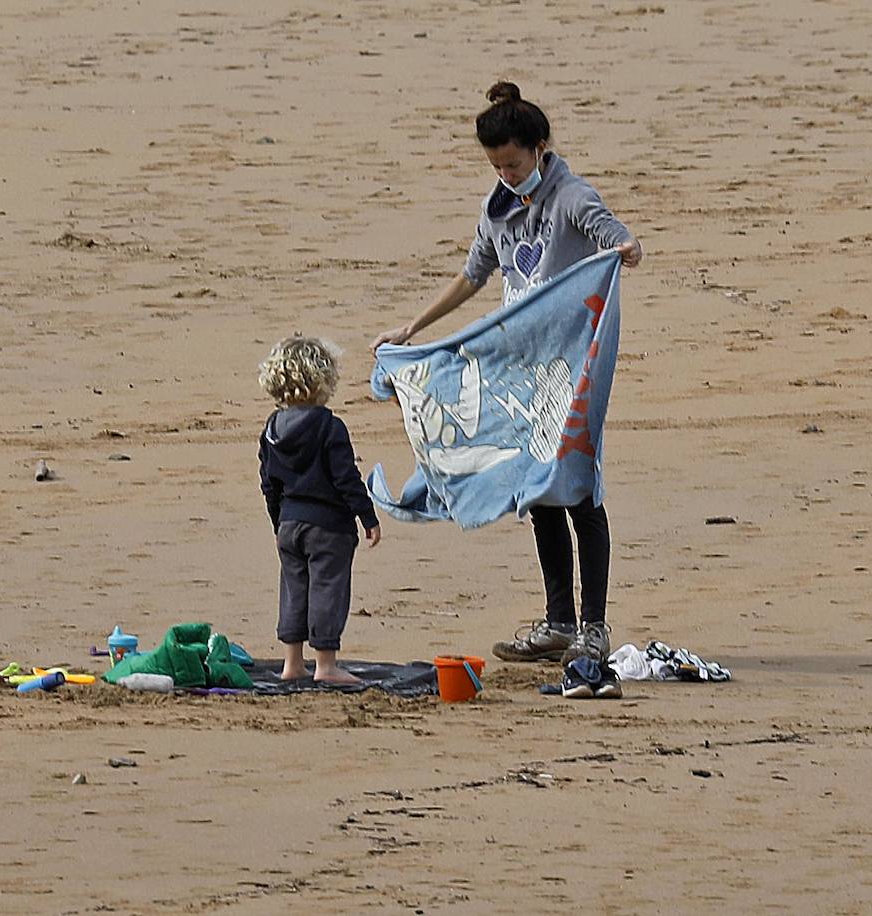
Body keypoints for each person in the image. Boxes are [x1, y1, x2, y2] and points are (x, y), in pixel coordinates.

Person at [371, 81, 642, 666]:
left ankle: (593, 628)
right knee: (537, 488)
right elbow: (473, 276)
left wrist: (625, 248)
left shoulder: (571, 196)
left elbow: (613, 238)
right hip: (523, 368)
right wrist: (411, 329)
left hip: (573, 369)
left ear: (540, 149)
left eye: (514, 164)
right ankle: (558, 623)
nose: (506, 175)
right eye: (496, 166)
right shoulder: (496, 208)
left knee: (579, 490)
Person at [258, 335, 382, 684]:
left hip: (290, 524)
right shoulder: (330, 426)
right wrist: (367, 516)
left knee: (294, 588)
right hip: (329, 527)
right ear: (321, 380)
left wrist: (278, 521)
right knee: (328, 588)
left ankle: (292, 664)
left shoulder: (271, 430)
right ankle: (326, 665)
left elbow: (269, 483)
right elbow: (346, 477)